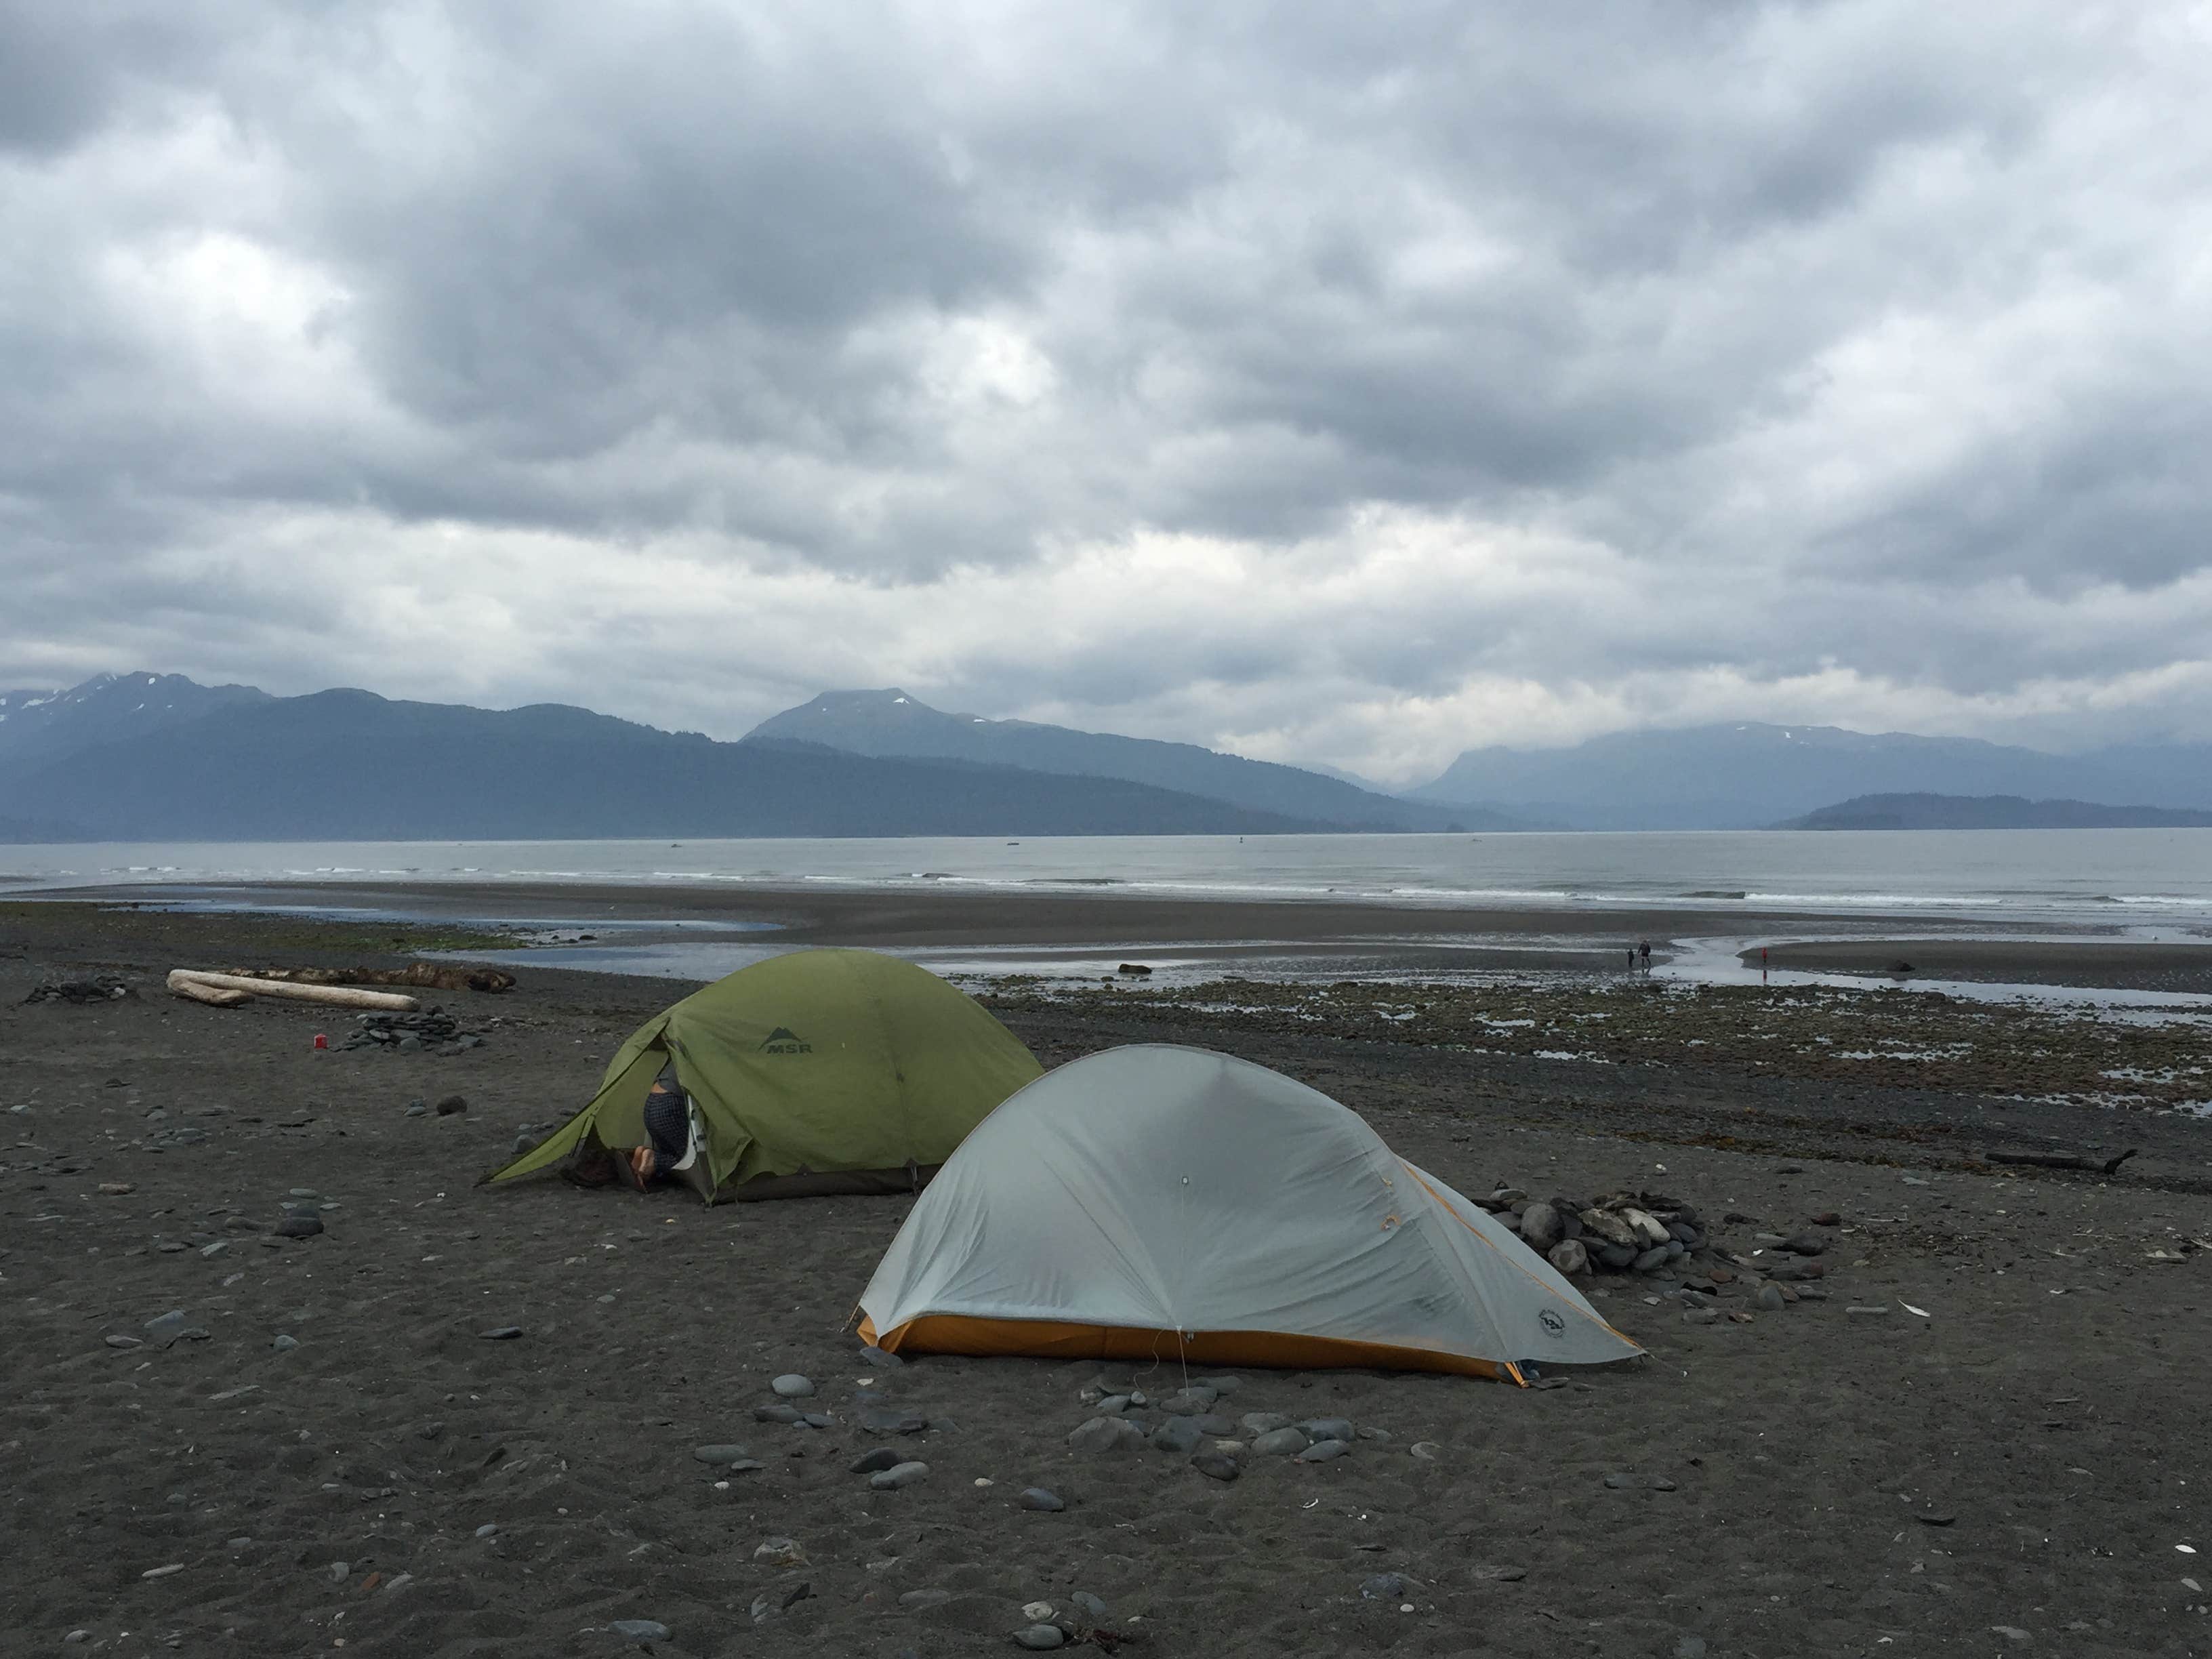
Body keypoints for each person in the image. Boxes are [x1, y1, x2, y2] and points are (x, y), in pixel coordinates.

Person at [630, 1065, 699, 1183]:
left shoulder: (687, 1050)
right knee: (692, 1162)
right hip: (671, 1107)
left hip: (652, 1103)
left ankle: (646, 1157)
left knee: (672, 1151)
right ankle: (654, 1160)